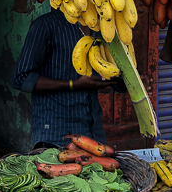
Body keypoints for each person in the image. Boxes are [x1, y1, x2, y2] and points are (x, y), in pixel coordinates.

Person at [12, 9, 112, 149]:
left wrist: (121, 80)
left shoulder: (103, 26)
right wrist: (74, 84)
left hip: (93, 130)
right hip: (56, 132)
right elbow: (21, 78)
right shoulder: (46, 25)